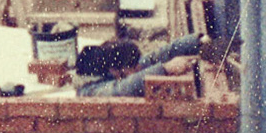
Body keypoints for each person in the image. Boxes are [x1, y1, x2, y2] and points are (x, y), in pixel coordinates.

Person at [74, 34, 204, 98]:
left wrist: (195, 41)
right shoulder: (91, 91)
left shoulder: (112, 67)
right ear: (115, 71)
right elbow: (124, 87)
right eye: (133, 67)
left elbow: (152, 58)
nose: (139, 69)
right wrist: (165, 68)